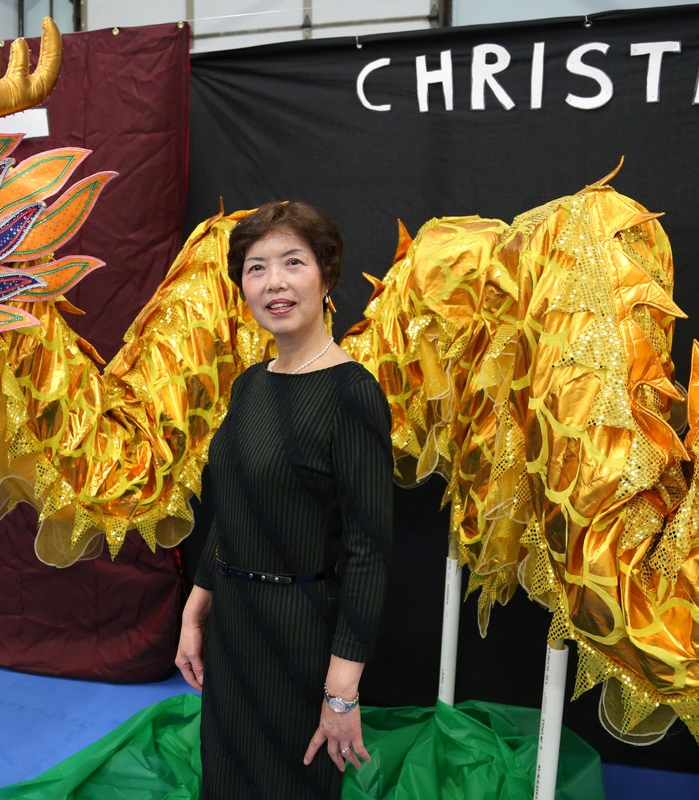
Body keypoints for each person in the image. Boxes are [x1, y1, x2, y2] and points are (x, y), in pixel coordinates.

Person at [175, 201, 393, 799]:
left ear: (325, 274)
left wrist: (341, 692)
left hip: (301, 636)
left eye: (293, 262)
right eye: (256, 268)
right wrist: (196, 610)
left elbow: (369, 552)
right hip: (232, 626)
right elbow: (235, 509)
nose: (274, 282)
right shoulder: (250, 384)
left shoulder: (353, 394)